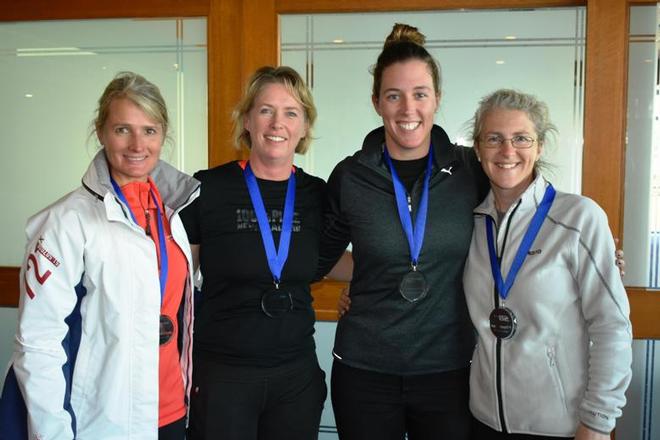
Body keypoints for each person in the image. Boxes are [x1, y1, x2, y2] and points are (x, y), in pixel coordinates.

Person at [0, 72, 200, 439]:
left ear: (163, 135)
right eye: (123, 129)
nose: (138, 144)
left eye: (150, 130)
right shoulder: (65, 222)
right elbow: (37, 343)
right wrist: (53, 432)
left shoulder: (173, 214)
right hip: (100, 421)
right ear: (101, 132)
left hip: (171, 412)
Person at [318, 23, 489, 439]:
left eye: (420, 94)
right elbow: (320, 258)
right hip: (364, 371)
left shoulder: (471, 170)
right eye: (394, 95)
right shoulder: (351, 175)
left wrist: (585, 248)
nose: (407, 109)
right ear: (377, 102)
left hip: (449, 370)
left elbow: (521, 221)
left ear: (437, 99)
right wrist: (370, 272)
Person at [463, 89, 632, 439]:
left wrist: (598, 423)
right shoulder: (472, 224)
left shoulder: (579, 218)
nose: (507, 151)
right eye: (494, 139)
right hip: (482, 421)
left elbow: (611, 326)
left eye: (521, 138)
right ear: (477, 149)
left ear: (539, 146)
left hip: (560, 426)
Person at [181, 65, 329, 440]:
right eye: (265, 110)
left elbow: (326, 259)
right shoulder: (207, 188)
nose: (277, 122)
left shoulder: (319, 195)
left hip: (295, 375)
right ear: (247, 119)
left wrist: (375, 279)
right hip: (224, 374)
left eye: (291, 112)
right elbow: (180, 277)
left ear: (305, 126)